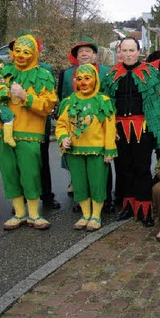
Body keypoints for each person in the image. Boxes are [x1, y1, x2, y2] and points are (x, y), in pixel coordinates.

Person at [0, 33, 57, 230]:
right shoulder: (3, 72)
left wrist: (25, 96)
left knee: (30, 173)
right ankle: (19, 212)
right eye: (18, 51)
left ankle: (34, 214)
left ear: (34, 54)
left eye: (26, 52)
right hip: (2, 132)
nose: (21, 55)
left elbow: (48, 105)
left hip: (29, 132)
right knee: (9, 172)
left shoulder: (43, 75)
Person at [103, 37, 160, 227]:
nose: (129, 54)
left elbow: (156, 105)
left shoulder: (150, 73)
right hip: (119, 129)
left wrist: (156, 132)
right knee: (123, 168)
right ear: (120, 52)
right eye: (125, 50)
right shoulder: (112, 74)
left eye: (132, 50)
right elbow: (107, 105)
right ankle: (127, 205)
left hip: (142, 127)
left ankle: (144, 208)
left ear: (139, 51)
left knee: (142, 168)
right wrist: (110, 128)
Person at [55, 64, 116, 231]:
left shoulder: (103, 101)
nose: (83, 82)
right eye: (79, 79)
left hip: (97, 151)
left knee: (97, 183)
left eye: (87, 78)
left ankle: (96, 215)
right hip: (75, 151)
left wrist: (109, 149)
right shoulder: (69, 102)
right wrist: (63, 137)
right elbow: (61, 125)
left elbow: (109, 127)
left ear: (95, 79)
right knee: (80, 184)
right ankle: (85, 214)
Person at [59, 37, 112, 211]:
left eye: (87, 51)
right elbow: (64, 97)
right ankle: (81, 202)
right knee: (78, 167)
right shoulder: (67, 74)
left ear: (95, 55)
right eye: (80, 51)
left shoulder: (106, 72)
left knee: (100, 169)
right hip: (76, 127)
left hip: (98, 125)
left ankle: (105, 200)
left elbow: (110, 97)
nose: (84, 54)